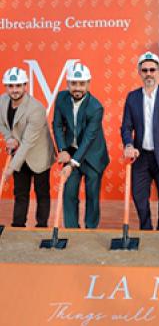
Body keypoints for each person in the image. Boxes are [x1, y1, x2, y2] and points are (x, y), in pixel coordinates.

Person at [121, 51, 159, 230]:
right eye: (145, 70)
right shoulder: (132, 97)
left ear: (158, 71)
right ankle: (146, 230)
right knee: (139, 197)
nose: (149, 73)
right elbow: (126, 127)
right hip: (140, 157)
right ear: (139, 72)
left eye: (152, 70)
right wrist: (128, 144)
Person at [52, 62, 110, 228]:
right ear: (68, 83)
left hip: (93, 156)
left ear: (88, 84)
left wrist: (71, 164)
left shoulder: (96, 107)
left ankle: (90, 230)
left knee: (92, 195)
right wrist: (62, 150)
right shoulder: (61, 98)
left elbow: (88, 140)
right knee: (69, 193)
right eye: (74, 83)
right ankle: (72, 230)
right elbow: (57, 125)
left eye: (82, 84)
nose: (77, 88)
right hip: (71, 152)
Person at [0, 67, 55, 227]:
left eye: (18, 85)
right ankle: (18, 226)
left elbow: (28, 143)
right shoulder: (2, 101)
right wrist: (9, 138)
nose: (14, 90)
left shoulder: (36, 108)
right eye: (11, 86)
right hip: (19, 153)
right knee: (20, 193)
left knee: (41, 193)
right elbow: (1, 123)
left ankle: (42, 226)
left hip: (39, 154)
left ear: (25, 85)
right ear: (6, 86)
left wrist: (10, 168)